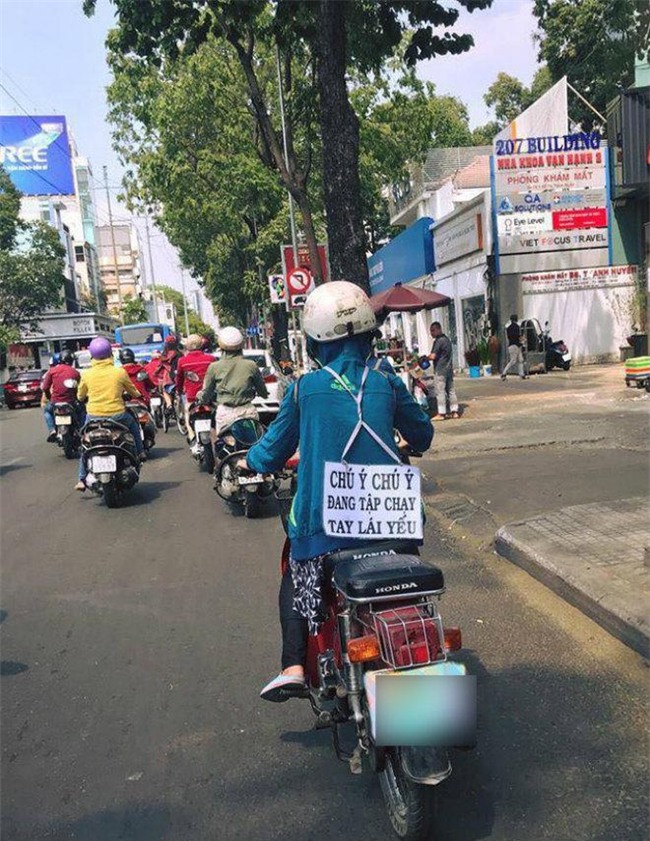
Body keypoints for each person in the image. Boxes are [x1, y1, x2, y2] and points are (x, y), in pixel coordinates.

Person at [241, 281, 434, 701]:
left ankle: (293, 666)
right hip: (394, 528)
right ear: (369, 334)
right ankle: (423, 696)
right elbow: (423, 434)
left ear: (314, 342)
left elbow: (271, 452)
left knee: (296, 574)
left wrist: (248, 462)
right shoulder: (387, 382)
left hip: (326, 534)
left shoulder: (304, 389)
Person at [74, 337, 145, 492]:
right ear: (110, 354)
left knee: (85, 444)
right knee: (134, 426)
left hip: (93, 416)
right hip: (118, 416)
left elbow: (80, 395)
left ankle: (81, 478)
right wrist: (137, 395)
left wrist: (83, 398)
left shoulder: (86, 374)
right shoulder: (119, 372)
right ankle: (140, 452)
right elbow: (133, 391)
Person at [200, 327, 268, 437]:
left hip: (225, 413)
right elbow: (262, 390)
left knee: (221, 446)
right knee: (254, 445)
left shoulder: (214, 367)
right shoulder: (251, 365)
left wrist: (202, 399)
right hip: (247, 412)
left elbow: (206, 392)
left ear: (221, 345)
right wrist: (263, 394)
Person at [175, 334, 214, 443]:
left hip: (192, 397)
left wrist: (179, 391)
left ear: (187, 346)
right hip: (209, 396)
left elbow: (179, 379)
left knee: (187, 414)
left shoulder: (182, 361)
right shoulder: (210, 359)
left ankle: (191, 436)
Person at [41, 349, 84, 441]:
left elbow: (45, 388)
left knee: (47, 411)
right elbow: (80, 388)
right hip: (71, 402)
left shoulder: (52, 371)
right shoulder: (75, 372)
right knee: (82, 411)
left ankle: (52, 430)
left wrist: (49, 398)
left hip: (55, 402)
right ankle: (82, 430)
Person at [427, 321, 459, 420]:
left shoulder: (439, 341)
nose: (431, 333)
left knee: (440, 391)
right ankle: (455, 412)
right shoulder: (447, 340)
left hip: (440, 370)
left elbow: (433, 356)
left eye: (433, 330)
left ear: (439, 329)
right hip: (449, 369)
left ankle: (441, 413)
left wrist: (425, 358)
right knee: (451, 390)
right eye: (430, 331)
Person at [157, 335, 182, 411]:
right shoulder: (179, 354)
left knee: (165, 391)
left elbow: (158, 368)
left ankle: (169, 405)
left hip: (168, 380)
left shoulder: (164, 356)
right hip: (178, 378)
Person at [501, 314, 527, 380]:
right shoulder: (517, 327)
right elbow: (518, 336)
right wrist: (523, 341)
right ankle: (504, 373)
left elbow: (509, 337)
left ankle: (522, 374)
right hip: (516, 345)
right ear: (516, 319)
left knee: (520, 359)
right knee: (513, 361)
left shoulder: (508, 328)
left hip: (511, 345)